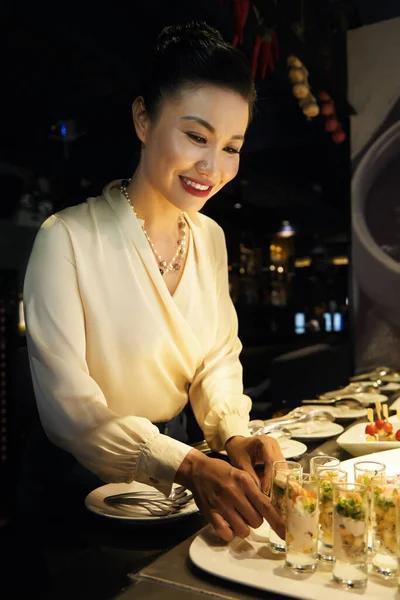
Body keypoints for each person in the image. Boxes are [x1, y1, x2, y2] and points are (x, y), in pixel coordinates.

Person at [22, 20, 285, 542]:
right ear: (143, 119)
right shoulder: (66, 238)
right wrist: (186, 464)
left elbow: (216, 356)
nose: (212, 167)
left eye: (232, 147)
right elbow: (69, 409)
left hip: (181, 478)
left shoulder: (209, 236)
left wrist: (234, 433)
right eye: (196, 136)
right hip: (80, 485)